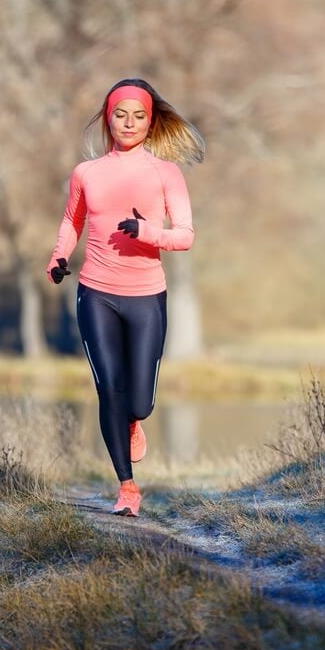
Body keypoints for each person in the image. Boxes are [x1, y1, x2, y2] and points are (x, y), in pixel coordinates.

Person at [46, 78, 205, 516]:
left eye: (138, 116)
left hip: (146, 296)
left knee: (139, 402)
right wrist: (59, 257)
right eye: (120, 114)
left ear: (150, 122)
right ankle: (127, 488)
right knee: (108, 390)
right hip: (95, 292)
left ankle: (134, 421)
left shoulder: (164, 173)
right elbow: (70, 224)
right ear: (108, 118)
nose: (128, 123)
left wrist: (147, 232)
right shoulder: (87, 173)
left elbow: (186, 236)